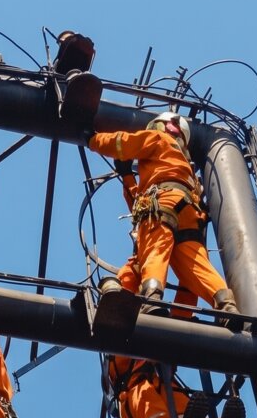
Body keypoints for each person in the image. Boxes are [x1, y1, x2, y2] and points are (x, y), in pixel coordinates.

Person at [88, 111, 235, 313]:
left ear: (162, 126)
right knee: (194, 265)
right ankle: (226, 306)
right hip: (189, 213)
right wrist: (128, 177)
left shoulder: (158, 139)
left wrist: (92, 139)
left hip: (163, 203)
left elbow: (122, 143)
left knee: (155, 248)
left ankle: (152, 298)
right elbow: (140, 206)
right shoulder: (184, 167)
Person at [106, 355, 242, 418]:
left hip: (160, 382)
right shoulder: (118, 357)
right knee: (147, 403)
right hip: (130, 395)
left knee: (182, 405)